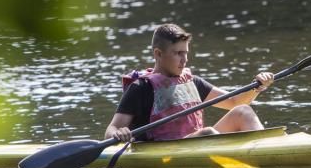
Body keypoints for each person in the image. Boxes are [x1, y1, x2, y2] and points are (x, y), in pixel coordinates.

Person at [105, 23, 274, 143]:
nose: (184, 60)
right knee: (207, 133)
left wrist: (258, 86)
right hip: (165, 149)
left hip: (199, 142)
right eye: (178, 53)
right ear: (158, 54)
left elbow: (235, 102)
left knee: (243, 111)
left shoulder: (193, 82)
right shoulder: (141, 88)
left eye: (186, 53)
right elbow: (110, 130)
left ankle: (266, 149)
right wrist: (120, 133)